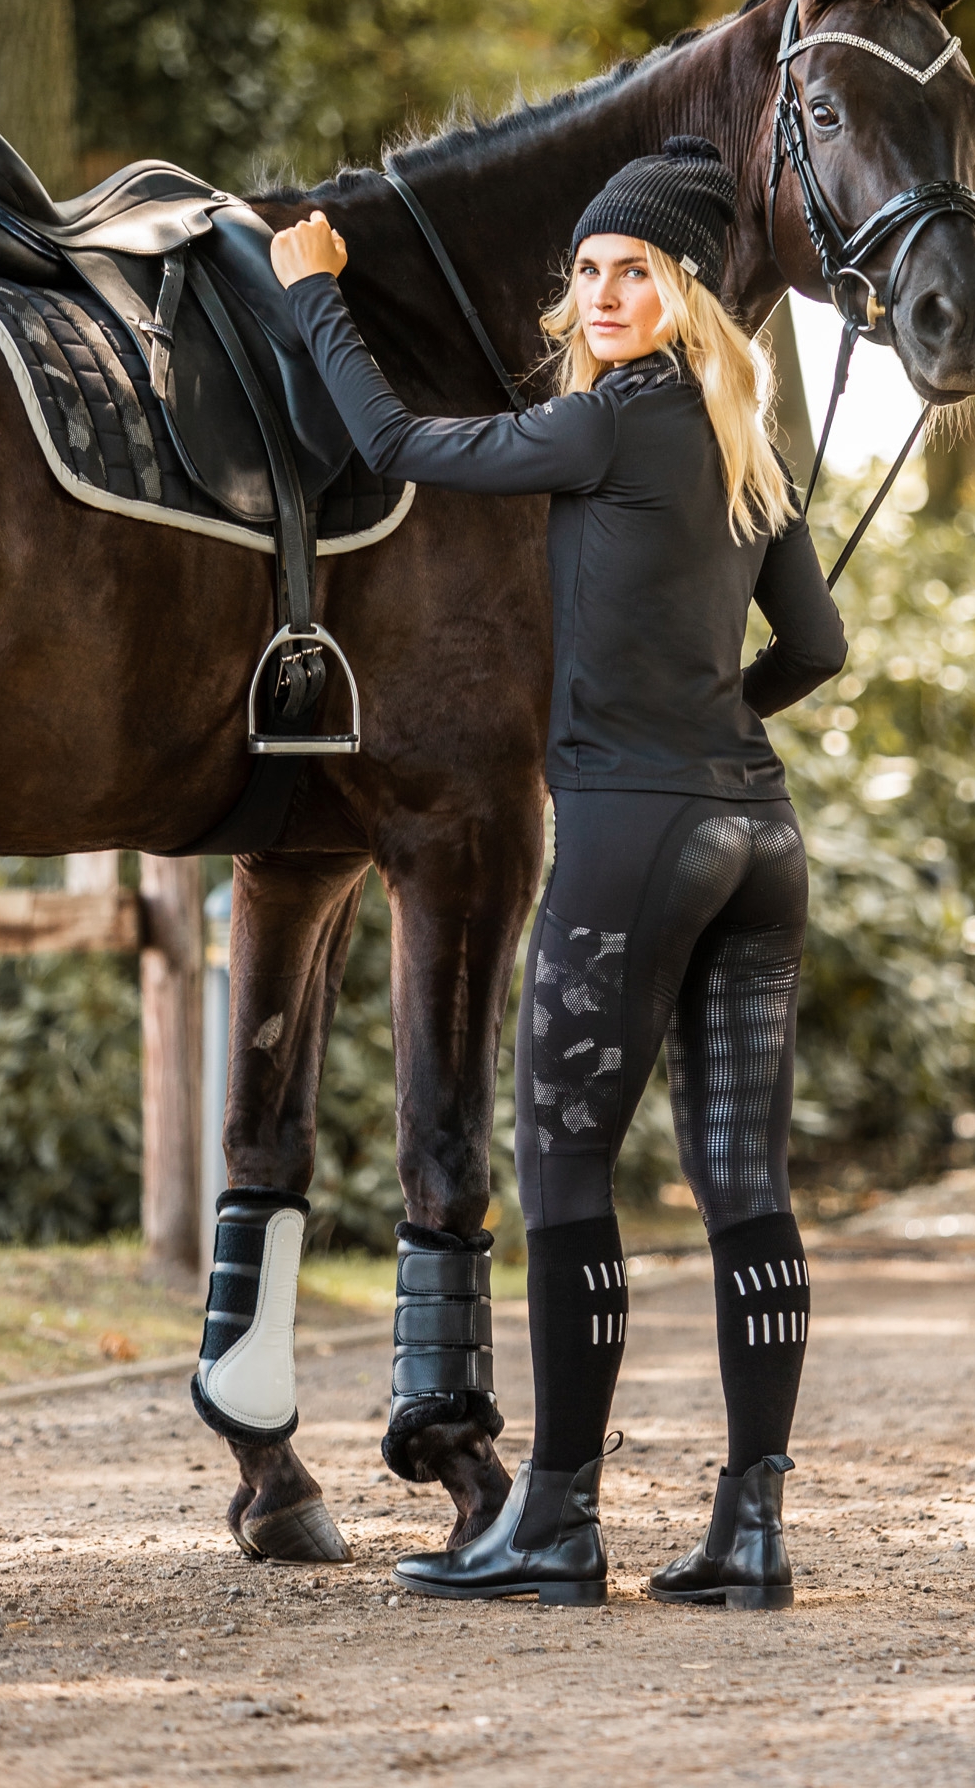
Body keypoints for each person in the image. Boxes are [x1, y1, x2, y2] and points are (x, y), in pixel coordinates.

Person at [271, 134, 846, 1607]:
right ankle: (753, 1529)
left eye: (632, 271)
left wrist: (314, 293)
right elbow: (821, 651)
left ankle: (558, 1520)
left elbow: (401, 448)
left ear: (683, 292)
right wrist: (708, 727)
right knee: (741, 1187)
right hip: (757, 840)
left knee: (565, 1170)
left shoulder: (609, 424)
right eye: (586, 270)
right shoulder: (746, 446)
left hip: (632, 831)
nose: (600, 293)